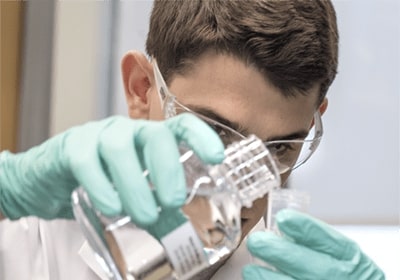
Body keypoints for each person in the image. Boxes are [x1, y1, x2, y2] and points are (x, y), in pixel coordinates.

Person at [0, 0, 384, 279]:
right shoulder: (28, 239)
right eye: (214, 132)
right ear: (142, 89)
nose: (243, 193)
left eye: (279, 148)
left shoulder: (299, 270)